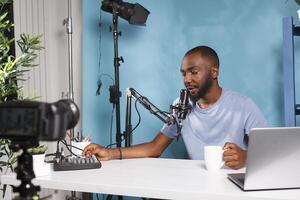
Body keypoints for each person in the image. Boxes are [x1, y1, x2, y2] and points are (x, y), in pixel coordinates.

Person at [83, 45, 267, 170]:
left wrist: (246, 157)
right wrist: (110, 153)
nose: (187, 79)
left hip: (234, 186)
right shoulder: (181, 105)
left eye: (194, 72)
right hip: (197, 186)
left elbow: (272, 153)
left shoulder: (243, 105)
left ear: (214, 72)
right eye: (184, 74)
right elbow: (155, 148)